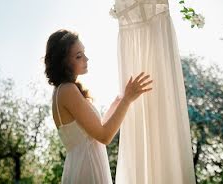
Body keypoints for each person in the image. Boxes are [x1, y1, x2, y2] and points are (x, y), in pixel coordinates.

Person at [45, 29, 153, 183]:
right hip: (87, 168)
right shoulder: (67, 90)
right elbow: (104, 136)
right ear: (63, 61)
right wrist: (127, 100)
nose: (86, 59)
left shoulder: (62, 90)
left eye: (84, 53)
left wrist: (117, 103)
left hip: (82, 164)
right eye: (79, 56)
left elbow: (96, 131)